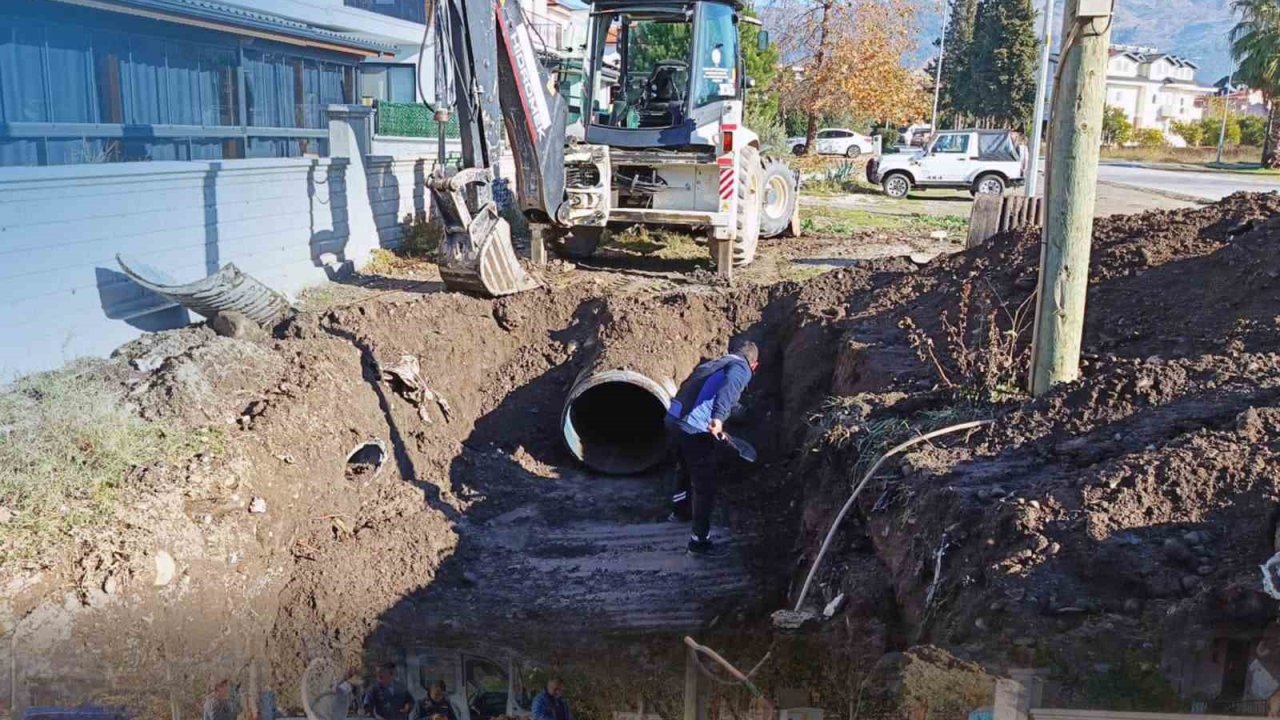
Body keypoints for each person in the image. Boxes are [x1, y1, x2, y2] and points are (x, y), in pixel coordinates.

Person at [665, 338, 759, 556]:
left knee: (684, 468)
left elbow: (712, 393)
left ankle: (679, 512)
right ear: (755, 365)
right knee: (704, 484)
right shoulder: (741, 367)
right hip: (693, 428)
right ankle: (699, 542)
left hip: (673, 420)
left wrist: (736, 413)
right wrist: (718, 419)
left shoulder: (714, 364)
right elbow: (729, 389)